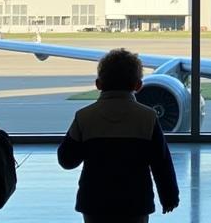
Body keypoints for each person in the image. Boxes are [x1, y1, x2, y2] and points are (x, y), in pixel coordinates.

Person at [58, 48, 179, 223]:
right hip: (136, 203)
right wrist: (169, 197)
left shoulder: (84, 117)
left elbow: (66, 160)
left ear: (98, 84)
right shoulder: (148, 117)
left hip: (94, 203)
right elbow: (162, 163)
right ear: (138, 86)